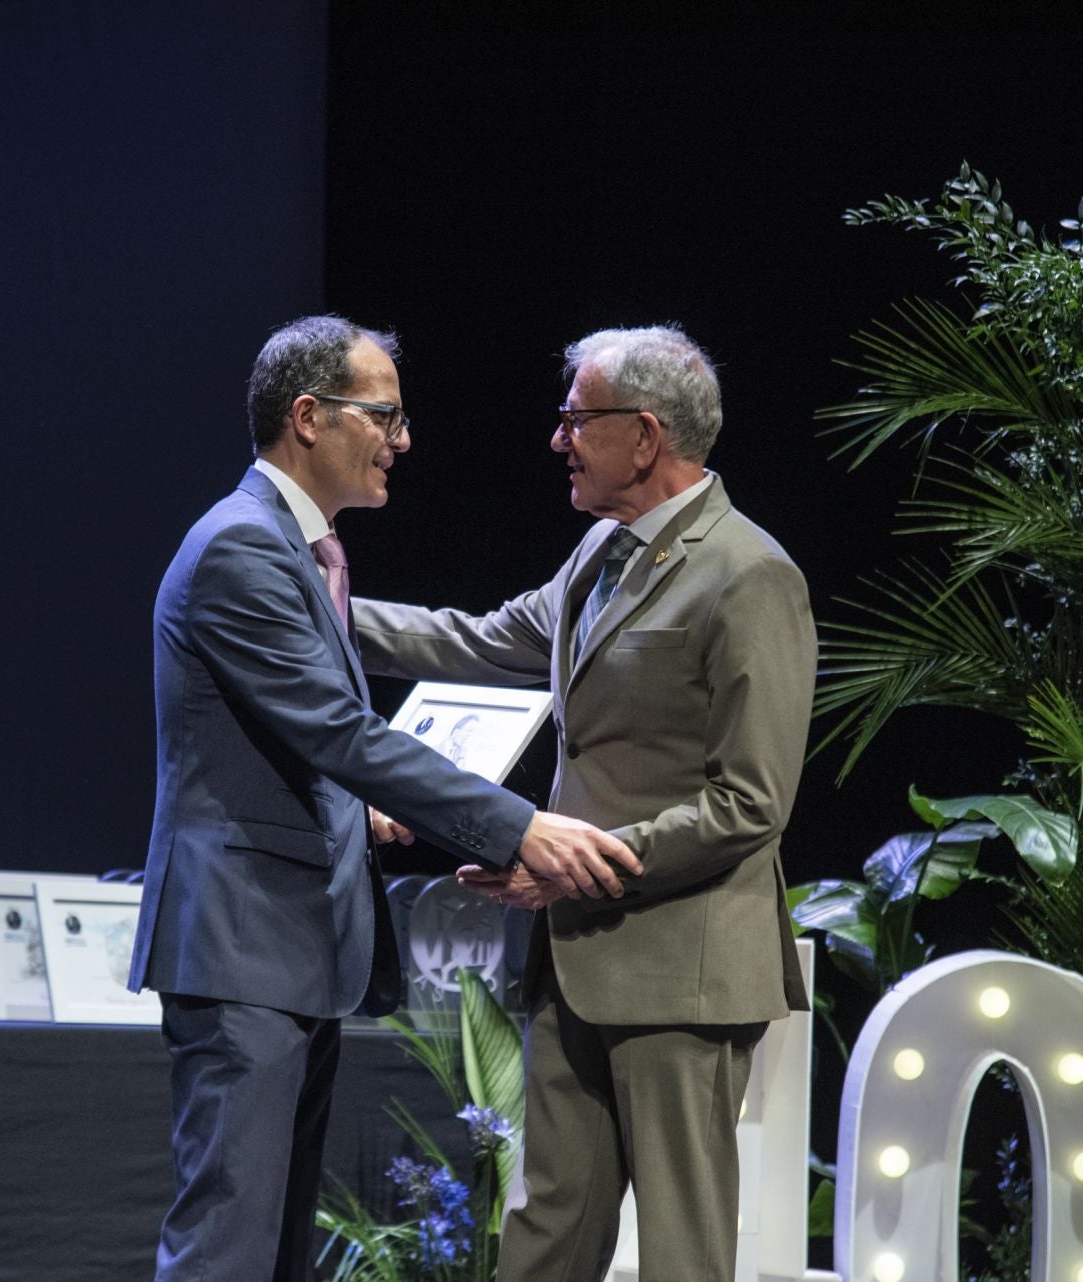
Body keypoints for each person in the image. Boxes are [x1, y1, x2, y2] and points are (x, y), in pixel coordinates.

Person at [126, 315, 642, 1282]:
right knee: (228, 1244)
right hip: (245, 949)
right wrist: (520, 825)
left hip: (286, 950)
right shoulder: (243, 548)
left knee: (271, 1246)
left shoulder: (297, 551)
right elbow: (339, 732)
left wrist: (352, 814)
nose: (403, 441)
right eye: (386, 415)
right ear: (309, 417)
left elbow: (274, 743)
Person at [354, 324, 816, 1281]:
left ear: (644, 436)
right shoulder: (599, 553)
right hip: (576, 961)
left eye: (576, 419)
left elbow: (750, 804)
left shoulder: (751, 576)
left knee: (682, 1248)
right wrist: (312, 606)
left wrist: (574, 862)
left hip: (682, 967)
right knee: (548, 1227)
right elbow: (475, 638)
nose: (558, 438)